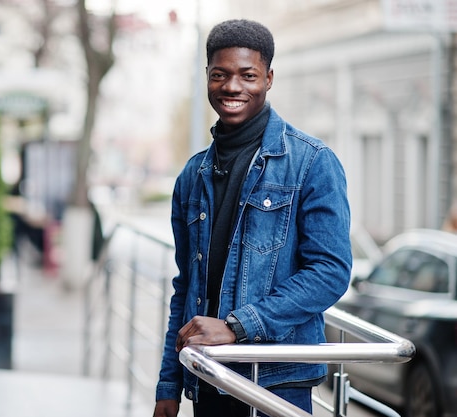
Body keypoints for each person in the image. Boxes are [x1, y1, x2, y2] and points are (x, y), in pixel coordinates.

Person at [153, 19, 352, 417]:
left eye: (248, 75)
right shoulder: (193, 176)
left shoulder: (311, 162)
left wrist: (238, 326)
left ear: (269, 78)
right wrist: (169, 385)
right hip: (207, 375)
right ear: (207, 77)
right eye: (219, 75)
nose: (232, 87)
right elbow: (186, 288)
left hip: (275, 381)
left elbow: (330, 271)